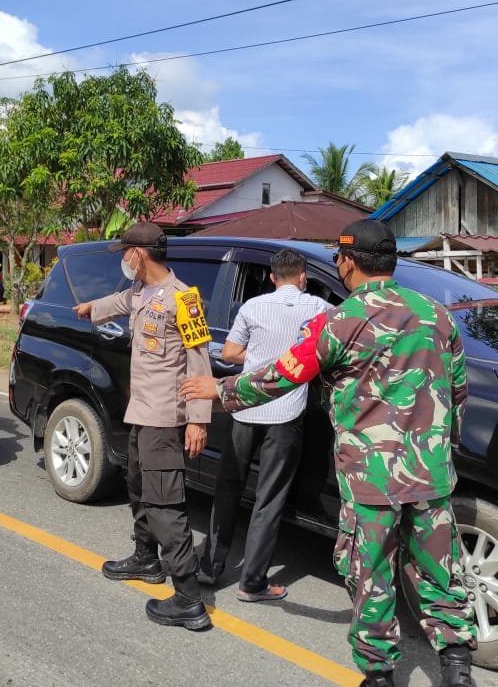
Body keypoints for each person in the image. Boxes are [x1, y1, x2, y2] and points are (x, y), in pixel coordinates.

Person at [180, 220, 477, 687]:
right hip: (430, 473)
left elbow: (284, 372)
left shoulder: (340, 319)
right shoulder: (438, 315)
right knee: (441, 571)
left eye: (338, 258)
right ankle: (457, 668)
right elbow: (458, 391)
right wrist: (443, 448)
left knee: (373, 574)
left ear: (347, 261)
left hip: (370, 479)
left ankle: (379, 675)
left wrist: (221, 390)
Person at [74, 222, 213, 632]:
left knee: (165, 503)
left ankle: (189, 598)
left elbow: (199, 361)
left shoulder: (183, 299)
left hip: (165, 418)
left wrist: (198, 420)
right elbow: (119, 301)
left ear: (141, 254)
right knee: (137, 487)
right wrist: (91, 308)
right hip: (141, 413)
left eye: (125, 252)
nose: (123, 258)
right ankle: (146, 558)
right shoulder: (140, 292)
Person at [198, 247, 332, 602]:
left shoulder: (253, 307)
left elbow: (228, 354)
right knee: (268, 499)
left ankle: (210, 566)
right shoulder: (319, 308)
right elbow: (333, 348)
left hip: (244, 409)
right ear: (303, 277)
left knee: (228, 488)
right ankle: (252, 582)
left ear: (272, 277)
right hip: (286, 415)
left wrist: (259, 358)